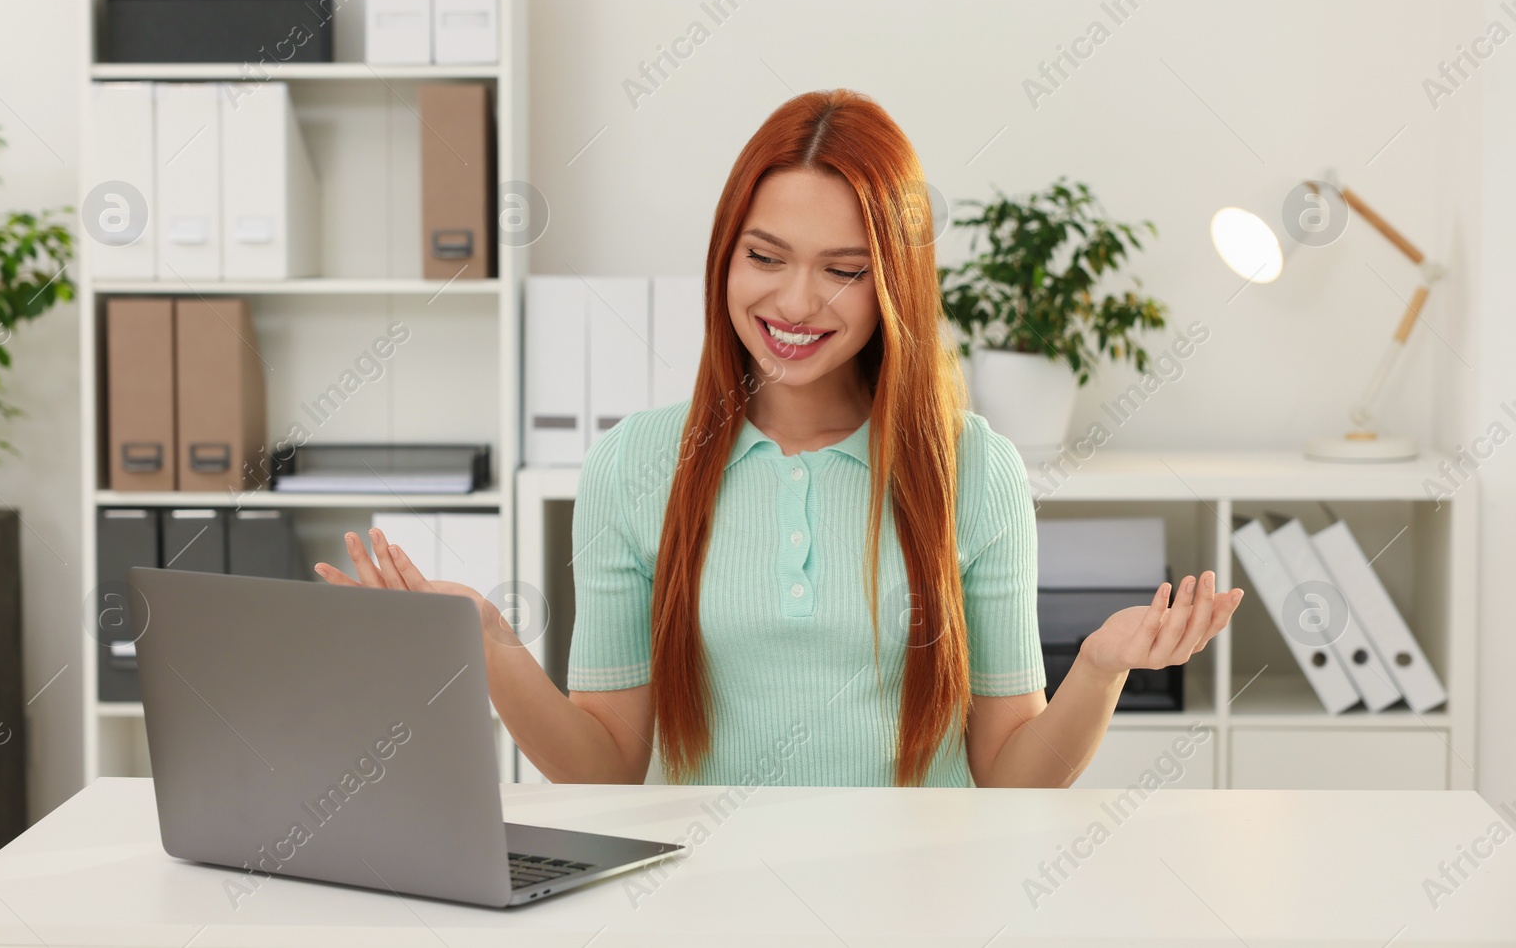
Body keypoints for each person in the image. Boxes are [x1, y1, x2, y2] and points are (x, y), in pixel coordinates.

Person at [315, 88, 1243, 788]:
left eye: (843, 270)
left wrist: (1100, 666)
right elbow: (603, 767)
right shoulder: (635, 464)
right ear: (726, 255)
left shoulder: (975, 468)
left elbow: (1009, 775)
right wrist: (486, 641)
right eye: (765, 258)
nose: (795, 304)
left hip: (925, 900)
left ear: (895, 287)